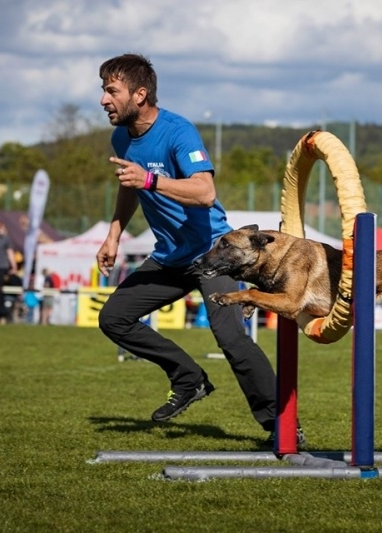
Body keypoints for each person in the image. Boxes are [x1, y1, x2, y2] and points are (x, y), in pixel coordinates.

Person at [95, 53, 298, 445]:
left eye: (111, 91)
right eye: (104, 91)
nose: (104, 100)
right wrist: (114, 234)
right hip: (169, 258)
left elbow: (205, 192)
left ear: (139, 94)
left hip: (212, 254)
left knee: (232, 340)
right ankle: (189, 379)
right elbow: (130, 185)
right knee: (114, 318)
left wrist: (150, 180)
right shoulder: (121, 137)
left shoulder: (178, 131)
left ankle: (282, 426)